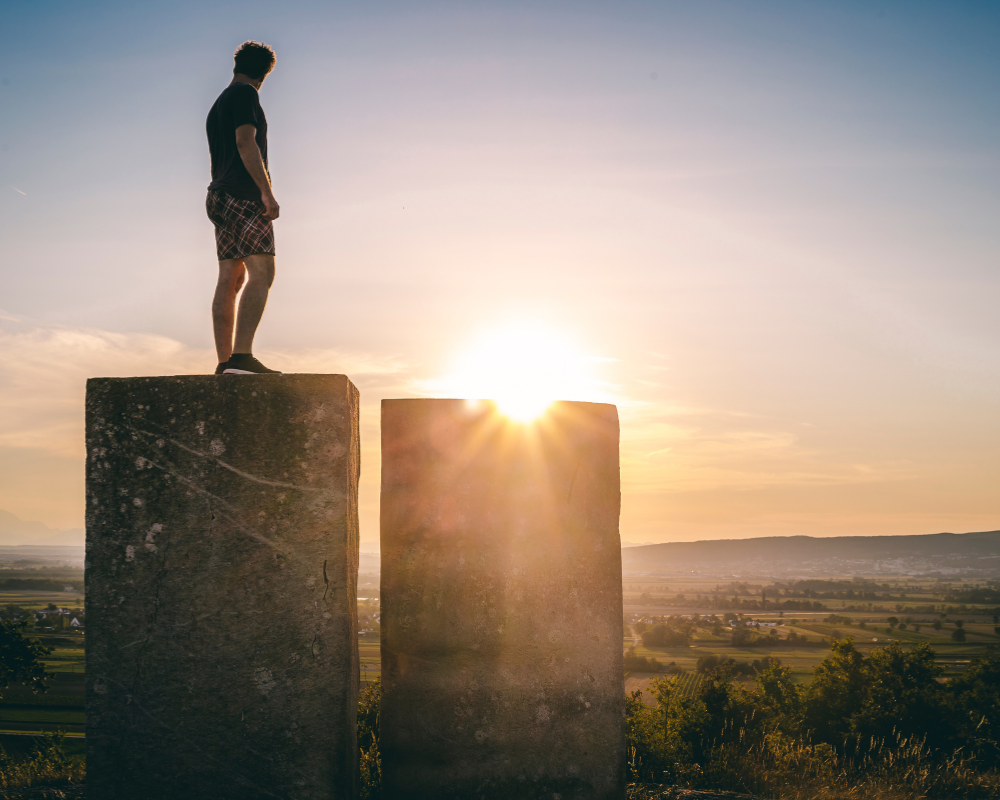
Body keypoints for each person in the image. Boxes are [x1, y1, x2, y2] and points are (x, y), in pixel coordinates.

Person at [205, 40, 281, 374]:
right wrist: (266, 192)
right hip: (243, 193)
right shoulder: (246, 94)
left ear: (236, 65)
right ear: (264, 73)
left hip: (219, 195)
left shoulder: (219, 102)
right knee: (262, 272)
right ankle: (242, 357)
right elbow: (245, 141)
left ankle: (226, 363)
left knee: (230, 278)